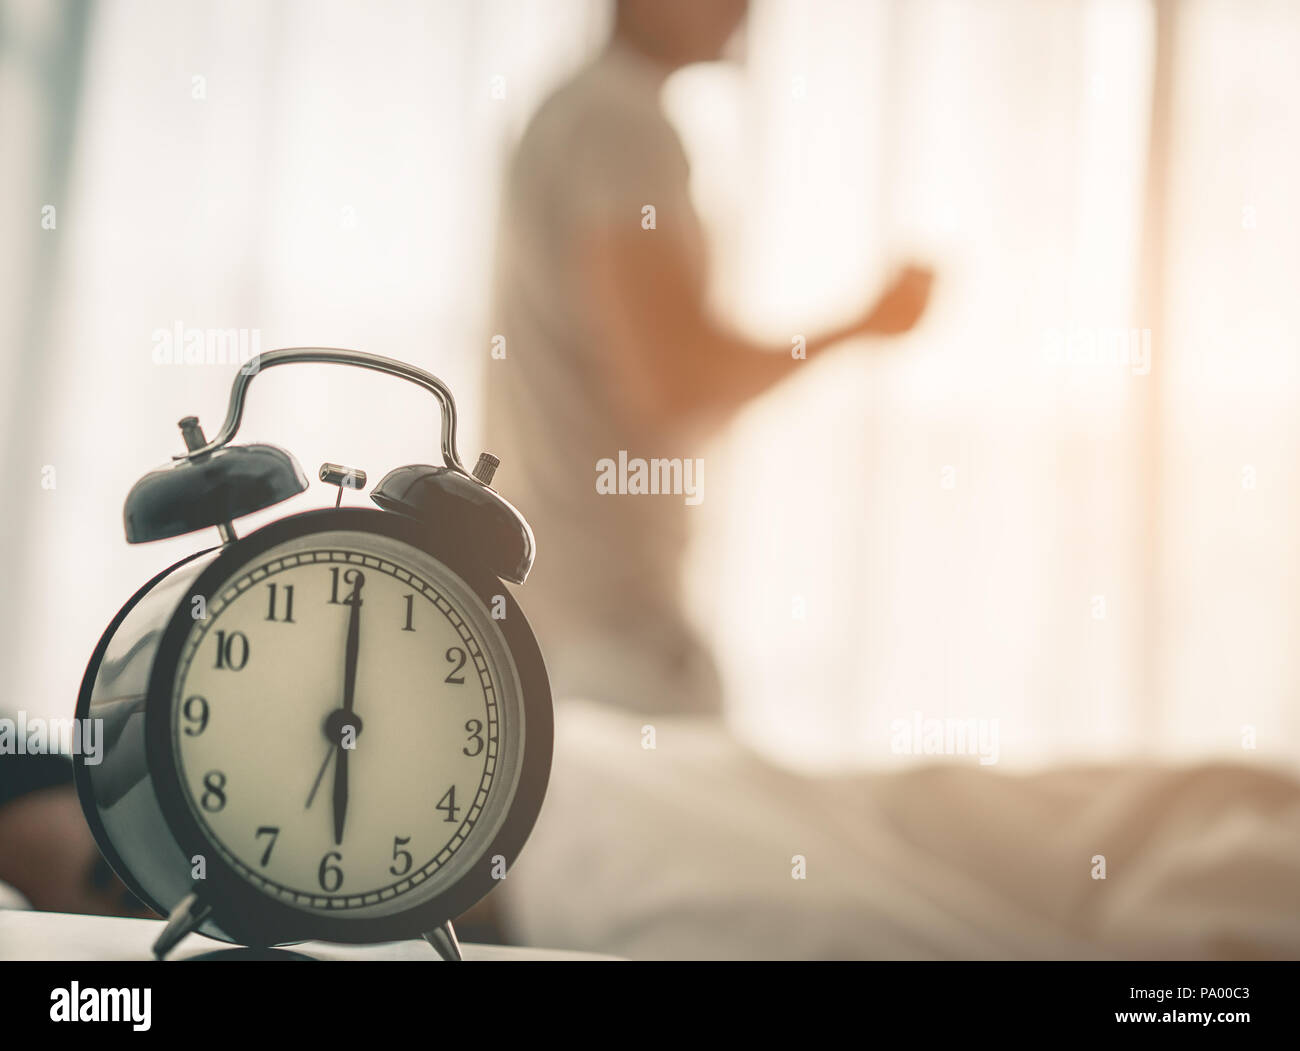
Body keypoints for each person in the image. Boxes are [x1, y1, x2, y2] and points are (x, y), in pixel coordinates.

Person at [486, 0, 933, 718]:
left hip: (566, 608)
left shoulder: (575, 113)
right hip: (606, 636)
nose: (746, 9)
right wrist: (864, 324)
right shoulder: (619, 127)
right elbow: (672, 380)